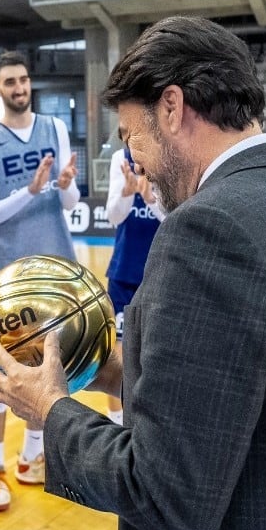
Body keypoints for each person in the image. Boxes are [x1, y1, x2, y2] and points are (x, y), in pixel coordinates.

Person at [0, 15, 266, 530]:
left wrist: (49, 408)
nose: (135, 163)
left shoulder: (207, 230)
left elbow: (169, 495)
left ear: (171, 108)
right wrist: (114, 368)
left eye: (132, 137)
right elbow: (246, 391)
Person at [0, 51, 79, 501]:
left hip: (54, 268)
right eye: (10, 81)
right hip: (6, 274)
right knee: (0, 376)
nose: (19, 87)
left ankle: (31, 456)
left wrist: (66, 183)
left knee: (50, 370)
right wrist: (30, 191)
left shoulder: (55, 128)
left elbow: (69, 203)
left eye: (24, 79)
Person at [102, 143, 163, 424]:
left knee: (155, 355)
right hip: (124, 271)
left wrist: (150, 199)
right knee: (119, 354)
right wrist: (128, 194)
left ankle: (150, 420)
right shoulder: (120, 158)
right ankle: (116, 422)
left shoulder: (168, 155)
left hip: (160, 272)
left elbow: (174, 217)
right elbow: (113, 215)